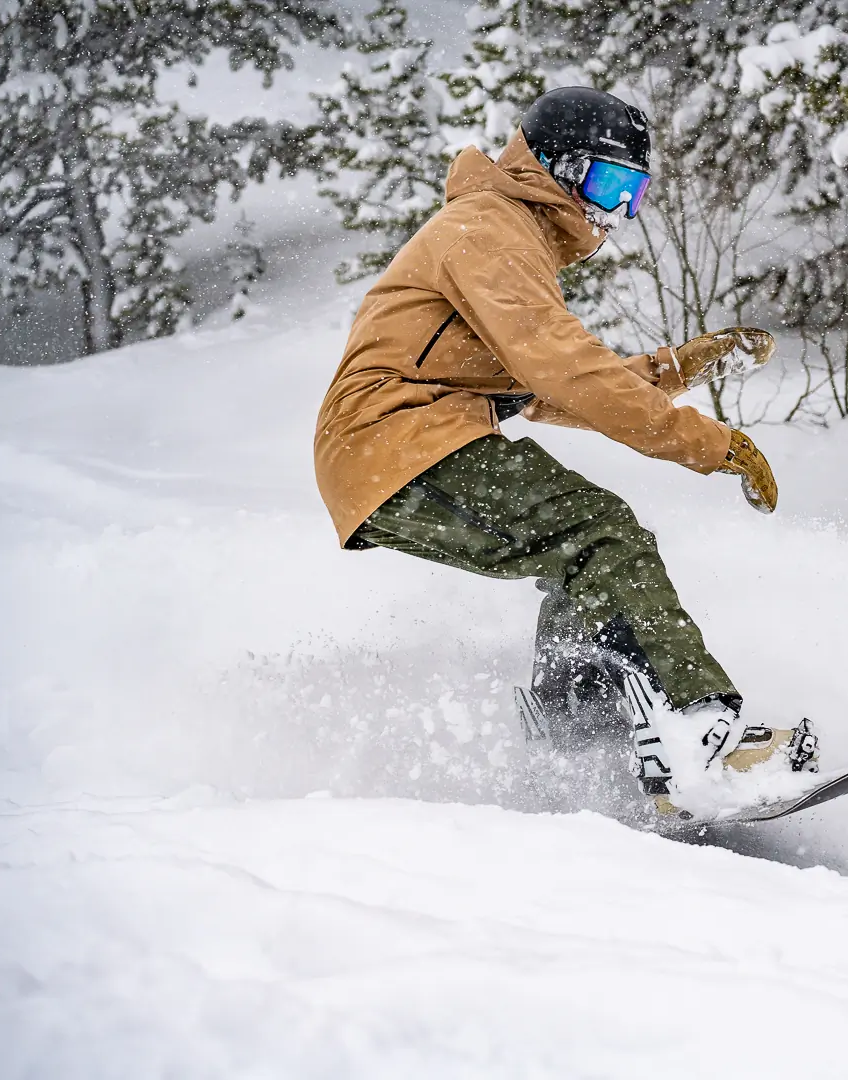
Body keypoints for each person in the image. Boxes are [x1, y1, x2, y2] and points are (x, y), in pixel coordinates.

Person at [313, 86, 818, 813]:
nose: (615, 211)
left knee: (581, 560)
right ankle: (699, 735)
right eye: (609, 184)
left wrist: (675, 371)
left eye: (633, 194)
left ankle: (581, 738)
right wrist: (709, 443)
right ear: (555, 167)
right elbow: (562, 367)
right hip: (397, 435)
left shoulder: (508, 239)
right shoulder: (488, 226)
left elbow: (543, 386)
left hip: (401, 440)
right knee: (600, 530)